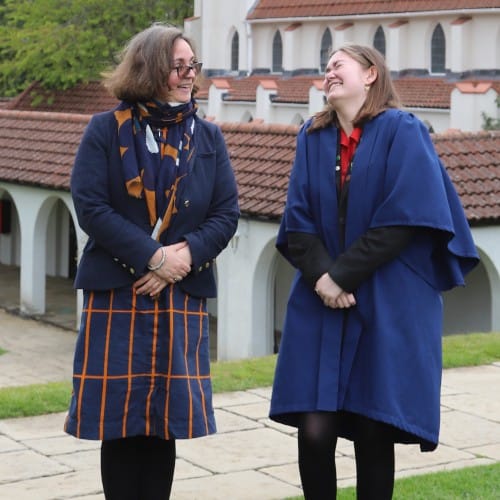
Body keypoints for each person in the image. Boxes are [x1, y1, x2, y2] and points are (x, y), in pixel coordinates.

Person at [269, 44, 479, 499]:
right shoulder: (313, 136)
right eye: (325, 67)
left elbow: (405, 216)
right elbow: (297, 221)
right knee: (315, 428)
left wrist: (342, 275)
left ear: (370, 75)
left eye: (338, 65)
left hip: (385, 295)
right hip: (320, 297)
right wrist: (324, 277)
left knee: (372, 427)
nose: (328, 73)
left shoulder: (403, 131)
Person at [64, 23, 239, 499]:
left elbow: (226, 214)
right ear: (150, 69)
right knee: (121, 424)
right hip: (120, 293)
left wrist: (181, 259)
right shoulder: (105, 130)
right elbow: (91, 207)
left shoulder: (208, 137)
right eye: (177, 67)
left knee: (163, 423)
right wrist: (152, 258)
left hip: (179, 292)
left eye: (192, 67)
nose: (188, 76)